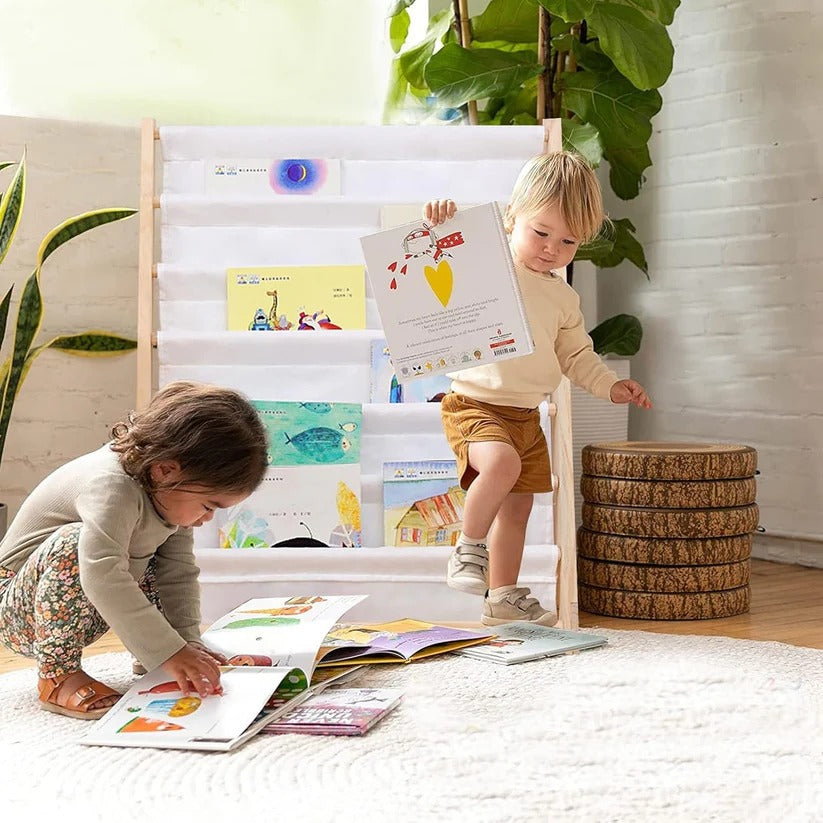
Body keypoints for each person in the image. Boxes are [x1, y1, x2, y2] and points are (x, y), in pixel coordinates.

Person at [425, 151, 652, 627]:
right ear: (512, 218)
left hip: (525, 415)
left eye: (568, 241)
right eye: (541, 233)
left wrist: (611, 386)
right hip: (475, 404)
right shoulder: (488, 266)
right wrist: (439, 225)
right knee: (501, 465)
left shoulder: (563, 297)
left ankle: (502, 596)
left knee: (518, 507)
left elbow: (577, 356)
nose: (551, 249)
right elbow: (437, 265)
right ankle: (467, 548)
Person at [0, 381, 268, 719]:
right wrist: (169, 651)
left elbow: (178, 574)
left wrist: (186, 644)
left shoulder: (169, 494)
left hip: (81, 609)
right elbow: (101, 576)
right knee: (76, 543)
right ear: (166, 469)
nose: (208, 518)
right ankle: (57, 675)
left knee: (158, 561)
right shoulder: (112, 486)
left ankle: (153, 656)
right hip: (18, 612)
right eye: (208, 506)